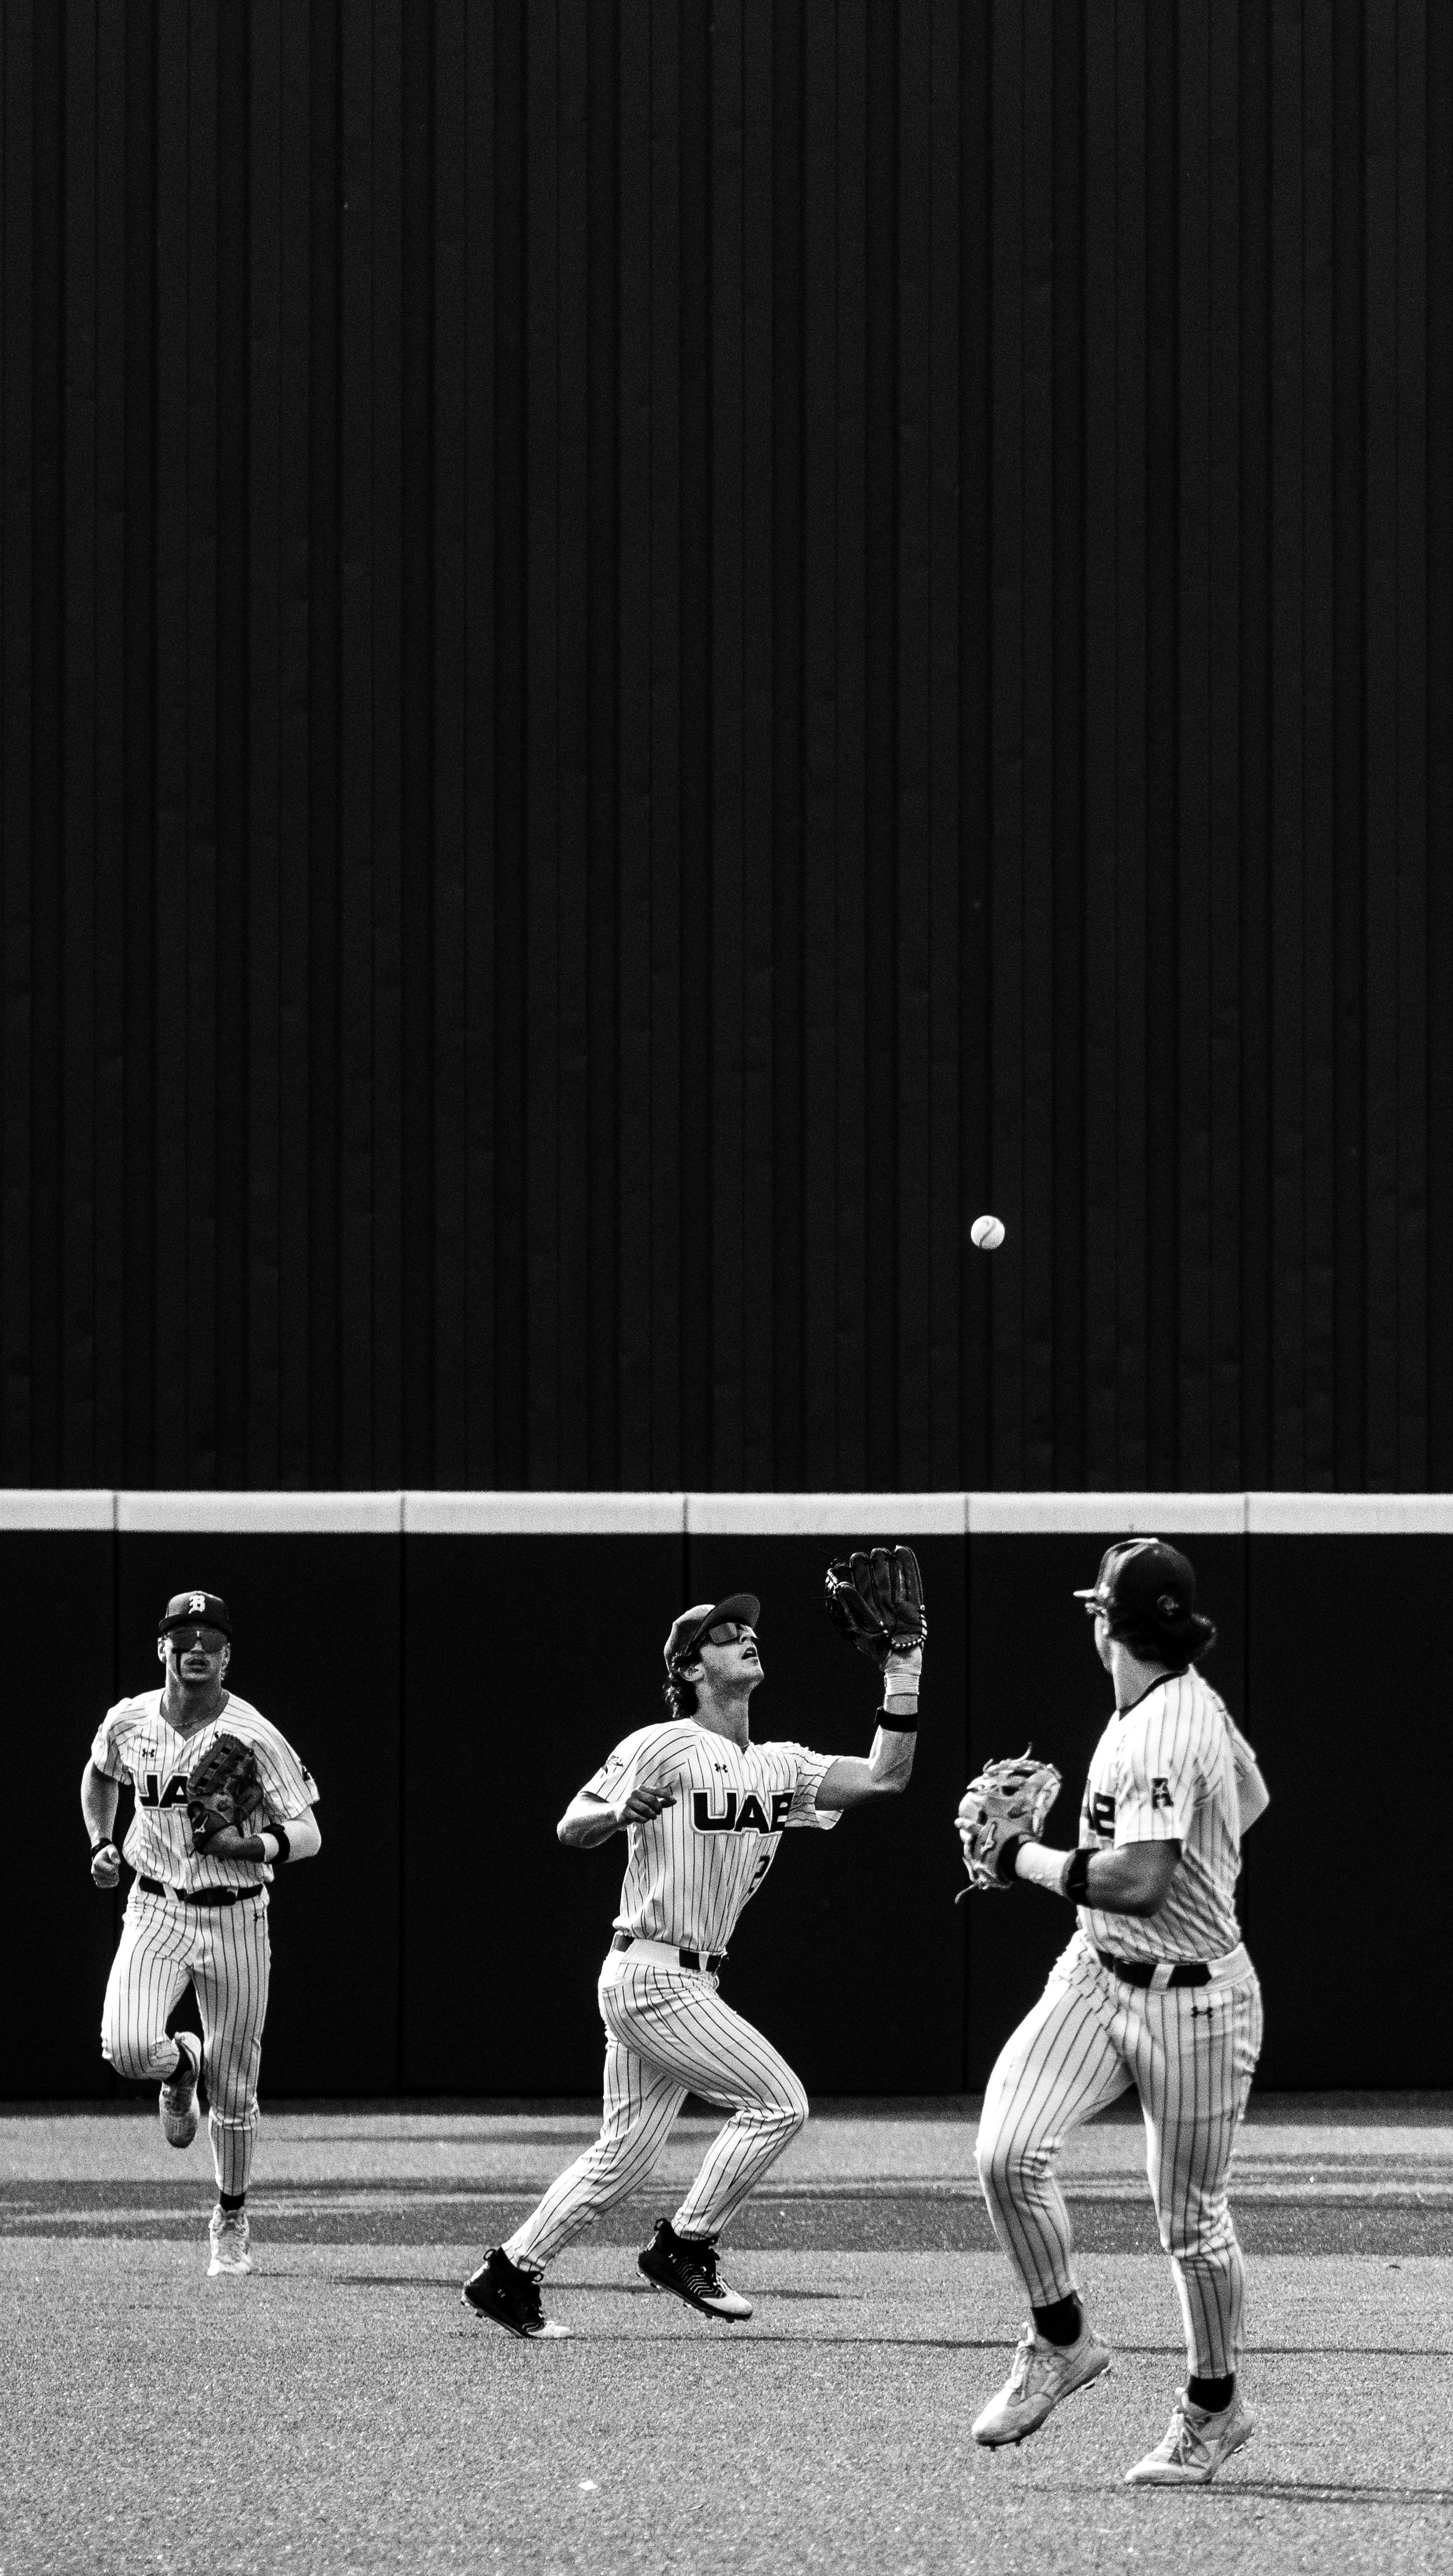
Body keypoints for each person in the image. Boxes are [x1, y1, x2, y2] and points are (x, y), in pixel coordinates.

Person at [461, 1589, 921, 2338]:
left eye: (747, 1630)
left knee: (621, 2156)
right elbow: (570, 1824)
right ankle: (686, 2245)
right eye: (723, 1635)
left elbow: (883, 1777)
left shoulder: (779, 1764)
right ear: (689, 1666)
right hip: (652, 1973)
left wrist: (903, 1667)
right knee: (781, 2102)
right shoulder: (662, 1742)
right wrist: (615, 1813)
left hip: (687, 1975)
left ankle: (510, 2273)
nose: (745, 1637)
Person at [964, 1539, 1269, 2485]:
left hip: (1195, 2002)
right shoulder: (1171, 1706)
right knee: (1006, 2152)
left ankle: (1213, 2409)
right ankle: (1062, 2338)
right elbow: (1254, 1796)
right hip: (1096, 1973)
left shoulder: (1167, 1724)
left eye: (1098, 1608)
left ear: (1110, 1621)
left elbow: (1140, 1877)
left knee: (1191, 2221)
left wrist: (1022, 1857)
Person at [81, 1590, 323, 2278]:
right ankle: (180, 2063)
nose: (195, 1647)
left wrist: (257, 1846)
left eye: (208, 1638)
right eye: (181, 1635)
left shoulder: (254, 1732)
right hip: (155, 1903)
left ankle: (231, 2216)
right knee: (127, 2045)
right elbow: (100, 1771)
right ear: (162, 1648)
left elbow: (309, 1831)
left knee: (237, 2086)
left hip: (237, 1912)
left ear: (225, 1655)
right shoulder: (128, 1719)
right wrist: (100, 1839)